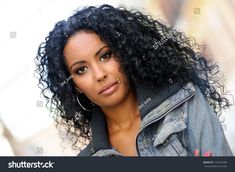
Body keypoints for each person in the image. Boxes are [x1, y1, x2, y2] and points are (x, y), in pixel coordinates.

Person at [35, 4, 233, 156]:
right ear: (74, 85)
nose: (99, 74)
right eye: (81, 70)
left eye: (105, 56)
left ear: (124, 53)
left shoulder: (182, 103)